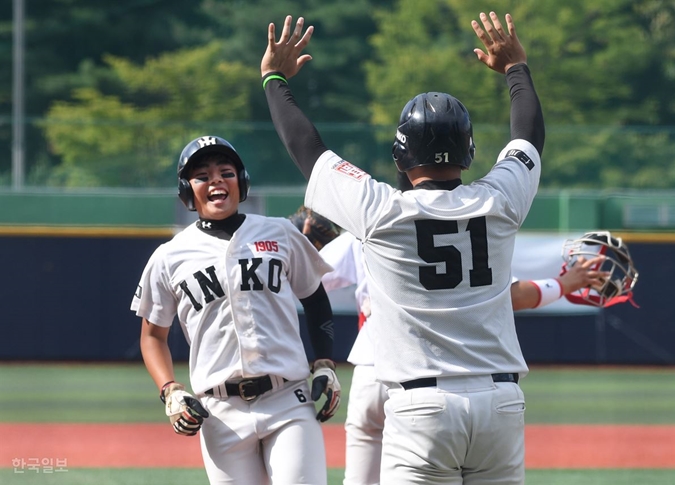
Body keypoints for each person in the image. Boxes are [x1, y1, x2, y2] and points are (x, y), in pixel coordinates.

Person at [261, 11, 544, 483]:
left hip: (422, 408)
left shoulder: (380, 211)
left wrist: (275, 79)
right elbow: (528, 138)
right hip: (500, 403)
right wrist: (516, 68)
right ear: (468, 152)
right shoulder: (499, 201)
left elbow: (307, 148)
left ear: (399, 155)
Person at [320, 222, 611, 485]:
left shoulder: (369, 223)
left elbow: (308, 280)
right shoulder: (463, 226)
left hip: (373, 366)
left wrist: (304, 243)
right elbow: (514, 295)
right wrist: (563, 284)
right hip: (435, 378)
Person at [130, 135, 341, 485]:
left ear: (241, 183)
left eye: (225, 172)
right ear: (187, 191)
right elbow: (152, 336)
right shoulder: (169, 257)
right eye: (202, 175)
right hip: (219, 412)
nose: (215, 180)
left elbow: (316, 299)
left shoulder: (280, 233)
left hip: (287, 399)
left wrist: (325, 363)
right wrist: (169, 389)